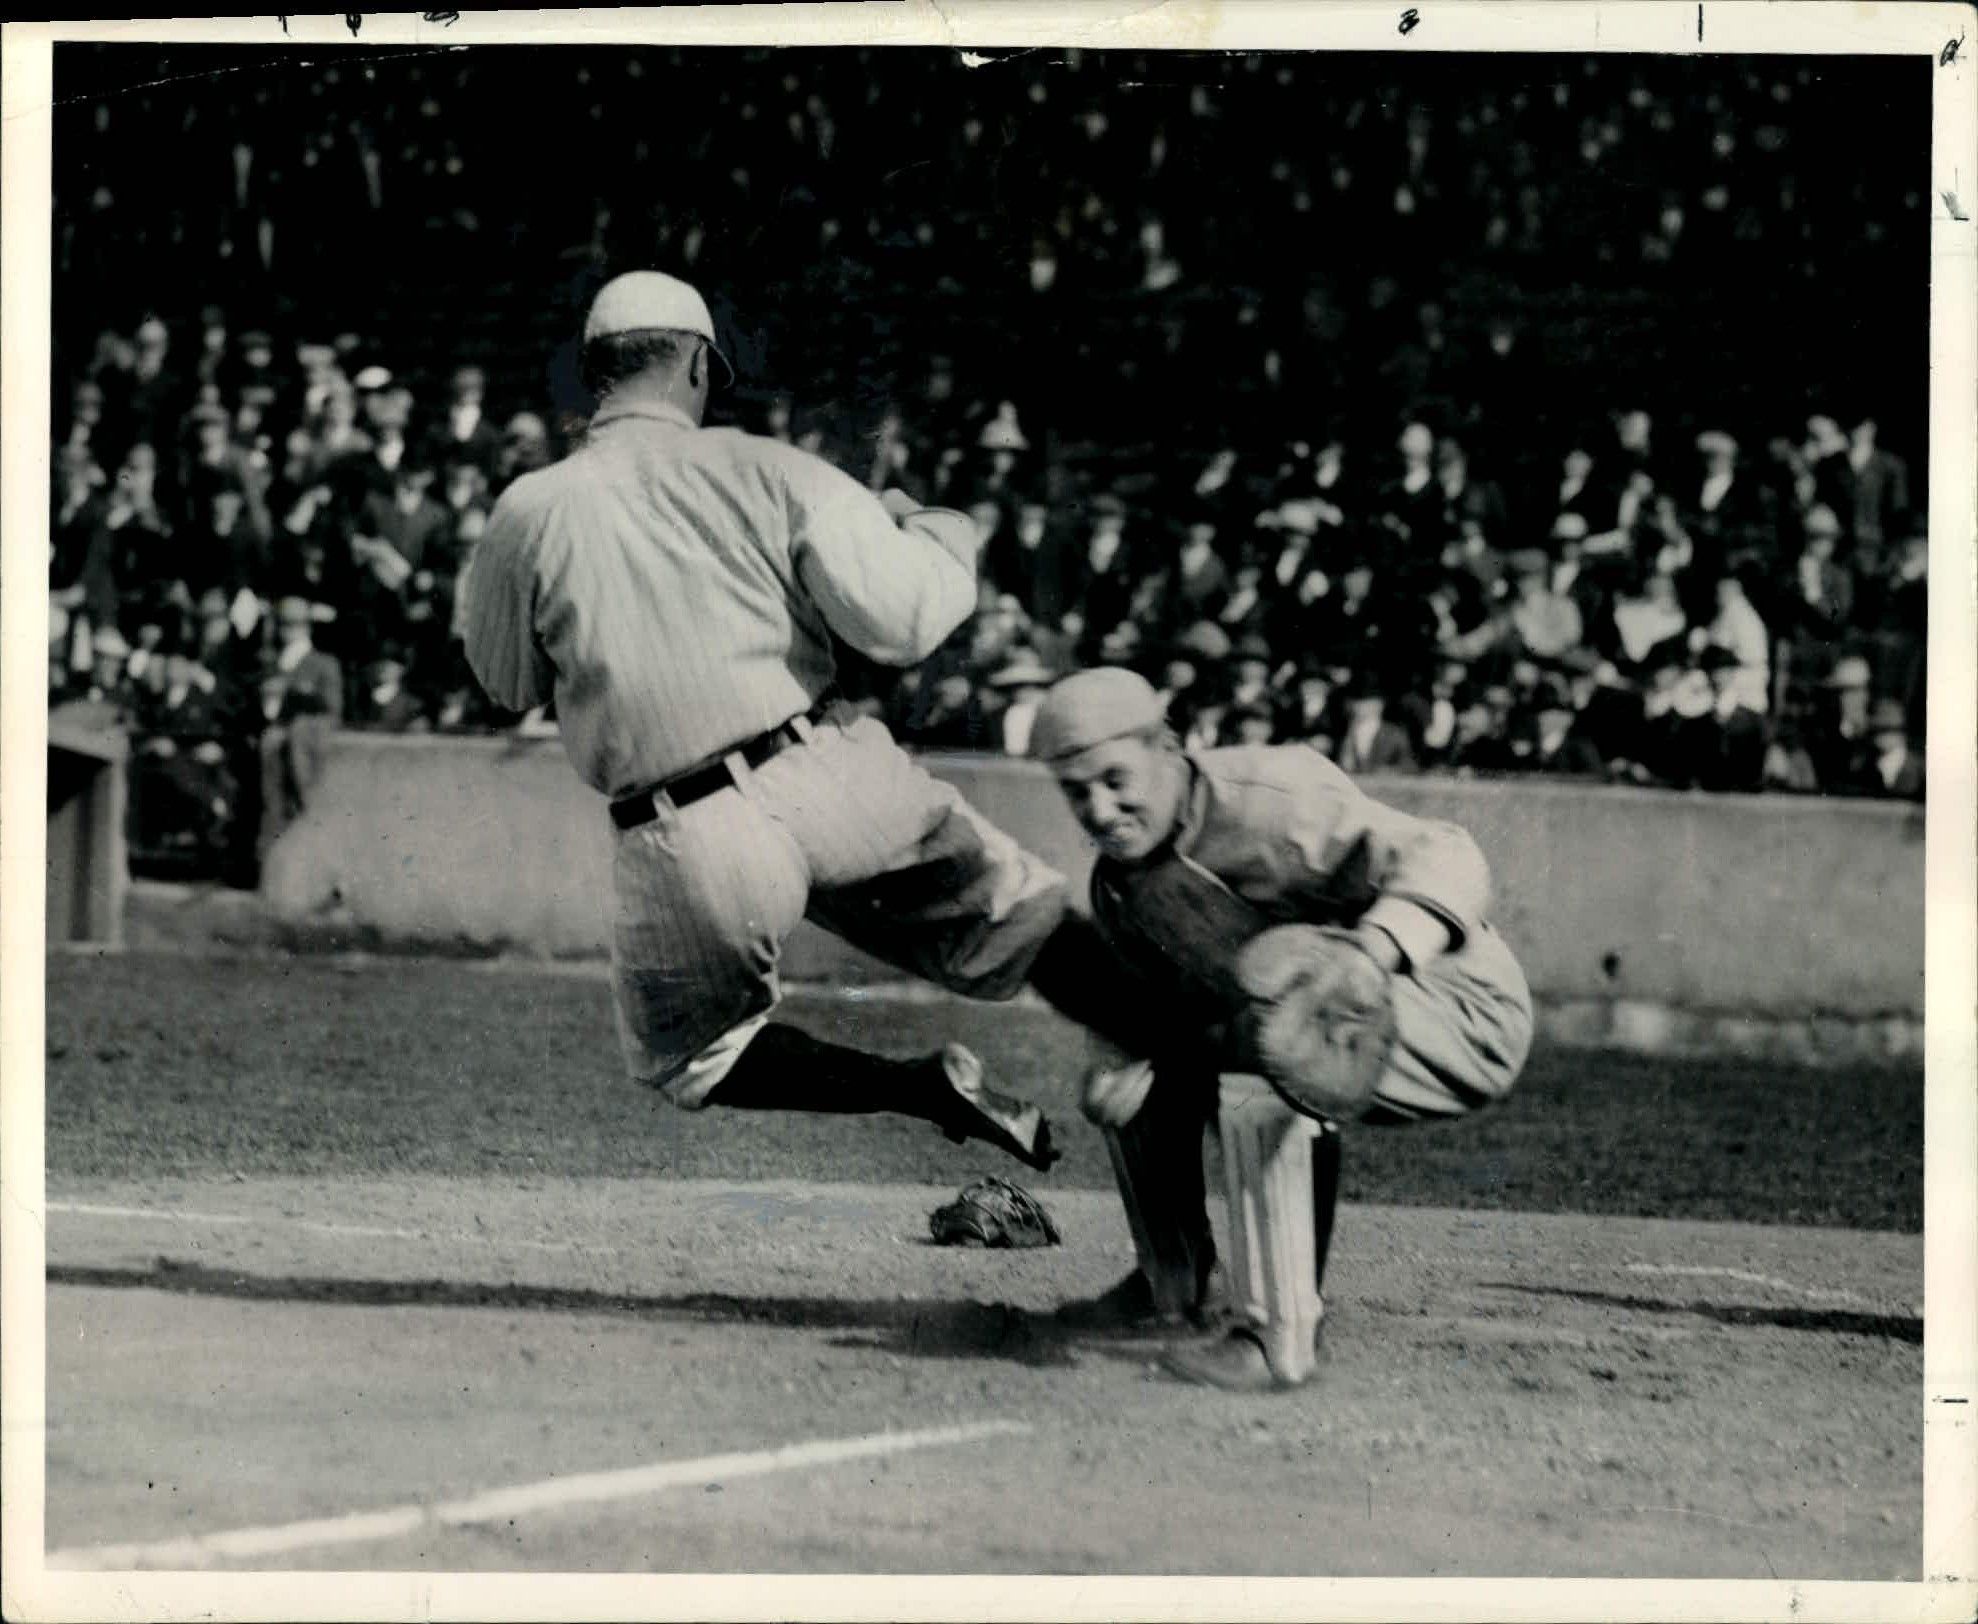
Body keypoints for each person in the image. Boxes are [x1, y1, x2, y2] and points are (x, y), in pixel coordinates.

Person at [461, 270, 1068, 1170]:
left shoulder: (530, 507)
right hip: (818, 770)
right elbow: (903, 623)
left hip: (685, 826)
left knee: (696, 1060)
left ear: (597, 374)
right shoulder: (768, 465)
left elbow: (507, 684)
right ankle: (1190, 1040)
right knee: (1037, 927)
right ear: (699, 367)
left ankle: (918, 1089)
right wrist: (935, 531)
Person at [1028, 667, 1532, 1391]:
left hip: (1460, 1003)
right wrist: (1120, 1064)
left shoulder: (1270, 795)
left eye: (1115, 778)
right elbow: (1150, 1019)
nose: (1100, 809)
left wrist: (1370, 954)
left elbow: (1452, 853)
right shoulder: (1122, 883)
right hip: (1320, 1014)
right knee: (1132, 1061)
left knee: (1259, 1031)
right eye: (1077, 792)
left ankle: (1275, 1335)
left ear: (1166, 748)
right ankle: (1175, 1284)